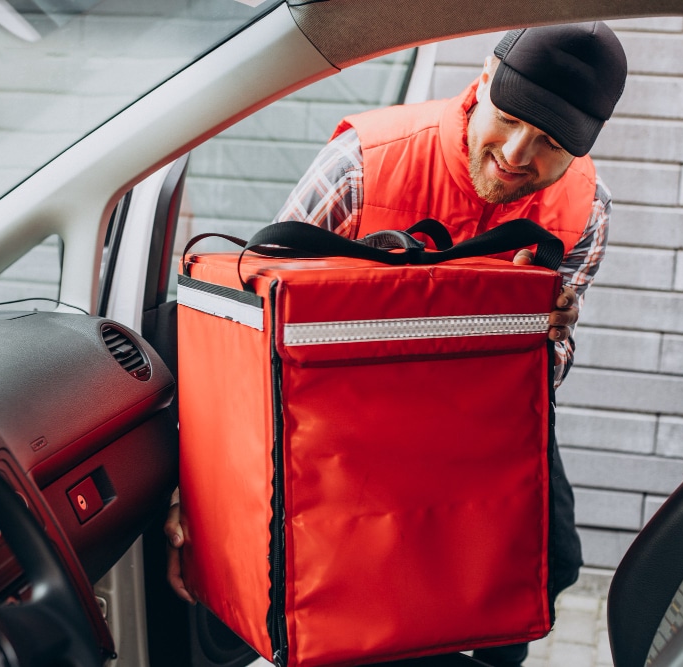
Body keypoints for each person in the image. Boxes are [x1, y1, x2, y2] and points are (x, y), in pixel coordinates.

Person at [167, 21, 627, 667]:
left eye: (550, 144)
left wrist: (549, 339)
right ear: (486, 79)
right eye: (512, 118)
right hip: (348, 434)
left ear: (580, 151)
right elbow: (253, 343)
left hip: (483, 433)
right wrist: (194, 495)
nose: (519, 154)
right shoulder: (363, 162)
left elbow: (549, 367)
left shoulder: (586, 210)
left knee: (538, 579)